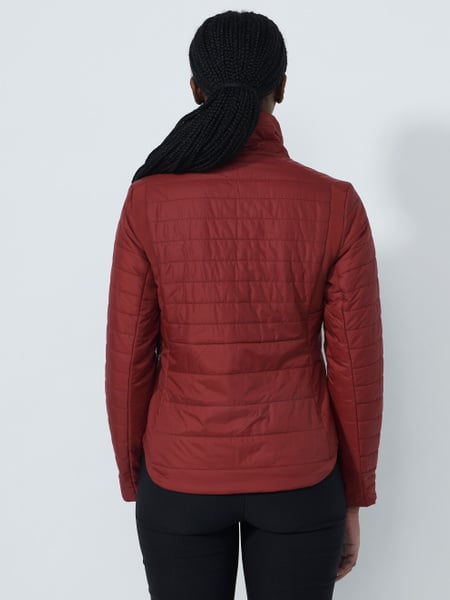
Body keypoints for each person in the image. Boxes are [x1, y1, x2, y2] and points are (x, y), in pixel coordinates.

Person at [104, 9, 383, 600]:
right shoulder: (336, 204)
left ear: (195, 89)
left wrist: (138, 478)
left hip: (180, 476)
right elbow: (356, 369)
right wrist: (353, 496)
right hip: (301, 477)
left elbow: (127, 360)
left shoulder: (147, 200)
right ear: (281, 87)